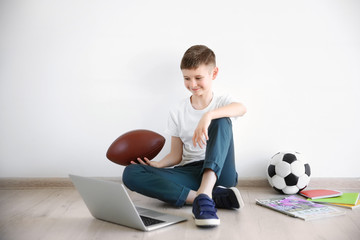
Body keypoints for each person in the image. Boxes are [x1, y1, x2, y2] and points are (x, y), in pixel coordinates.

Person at [122, 45, 247, 227]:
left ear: (214, 73)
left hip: (221, 173)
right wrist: (158, 164)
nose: (193, 84)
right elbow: (176, 155)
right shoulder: (177, 111)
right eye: (187, 78)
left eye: (198, 78)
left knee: (222, 120)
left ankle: (205, 192)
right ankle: (204, 197)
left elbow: (242, 109)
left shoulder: (222, 102)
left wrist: (208, 115)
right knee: (130, 174)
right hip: (191, 171)